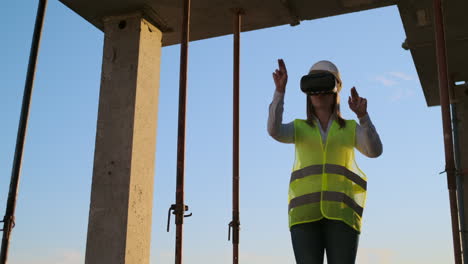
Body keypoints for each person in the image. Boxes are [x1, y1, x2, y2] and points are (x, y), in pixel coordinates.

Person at [267, 59, 383, 264]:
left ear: (335, 89)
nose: (319, 93)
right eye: (313, 87)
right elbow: (274, 130)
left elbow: (374, 151)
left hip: (342, 214)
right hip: (304, 215)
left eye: (324, 86)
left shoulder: (350, 128)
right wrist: (280, 92)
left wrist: (363, 117)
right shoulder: (299, 127)